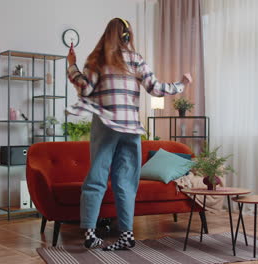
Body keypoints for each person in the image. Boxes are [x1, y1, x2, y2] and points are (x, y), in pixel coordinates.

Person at [66, 18, 192, 251]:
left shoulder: (97, 59)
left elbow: (85, 89)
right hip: (130, 128)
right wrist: (182, 84)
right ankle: (126, 235)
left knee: (97, 178)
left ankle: (91, 234)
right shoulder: (136, 60)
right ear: (127, 36)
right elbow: (156, 88)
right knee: (126, 182)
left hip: (105, 125)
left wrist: (71, 65)